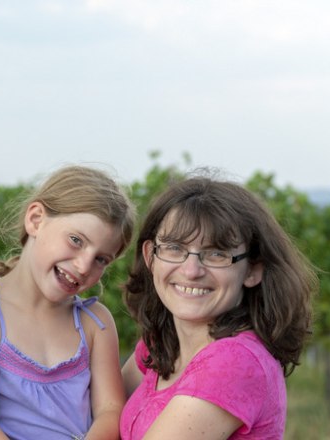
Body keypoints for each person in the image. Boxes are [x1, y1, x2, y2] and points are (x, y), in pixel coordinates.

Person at [119, 176, 317, 439]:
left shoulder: (233, 361)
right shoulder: (159, 345)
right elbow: (98, 413)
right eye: (175, 248)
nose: (191, 271)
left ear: (252, 270)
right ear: (150, 257)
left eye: (216, 254)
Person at [0, 165, 136, 439]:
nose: (84, 266)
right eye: (76, 240)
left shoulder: (95, 322)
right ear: (36, 219)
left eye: (101, 259)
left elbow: (110, 410)